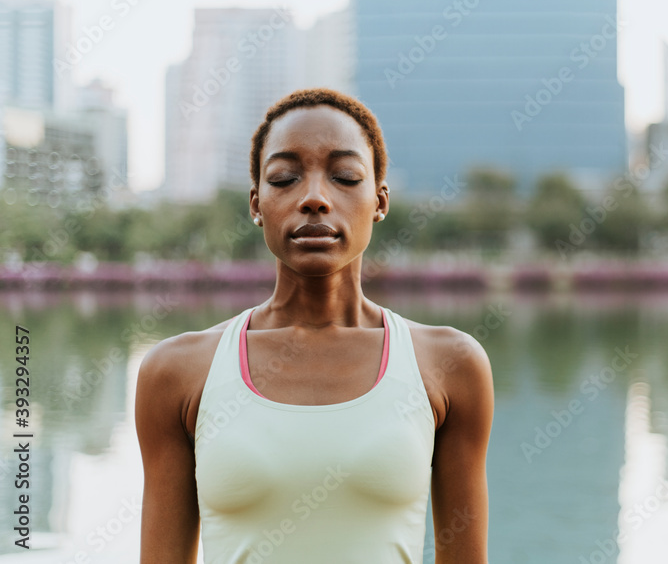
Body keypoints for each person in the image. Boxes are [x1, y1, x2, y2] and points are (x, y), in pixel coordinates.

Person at [135, 88, 494, 563]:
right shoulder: (177, 372)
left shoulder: (451, 364)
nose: (315, 198)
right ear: (256, 203)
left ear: (380, 201)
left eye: (345, 176)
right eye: (284, 178)